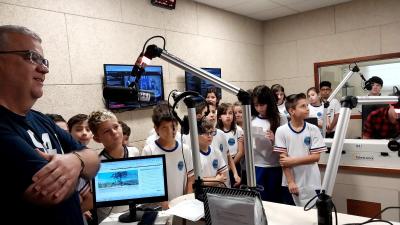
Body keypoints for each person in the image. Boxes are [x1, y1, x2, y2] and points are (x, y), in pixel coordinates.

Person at [0, 25, 100, 225]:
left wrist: (75, 162)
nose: (44, 69)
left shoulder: (41, 119)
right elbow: (49, 192)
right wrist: (81, 164)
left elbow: (93, 158)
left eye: (43, 61)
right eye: (31, 57)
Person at [274, 93, 327, 206]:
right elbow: (283, 160)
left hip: (311, 181)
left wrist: (292, 161)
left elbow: (315, 157)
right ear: (292, 111)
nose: (307, 109)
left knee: (312, 216)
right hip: (290, 181)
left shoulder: (313, 129)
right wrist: (291, 182)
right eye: (303, 106)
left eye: (307, 105)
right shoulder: (281, 131)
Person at [142, 103, 194, 206]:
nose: (170, 131)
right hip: (159, 207)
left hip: (182, 205)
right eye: (165, 128)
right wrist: (163, 204)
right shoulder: (149, 151)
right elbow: (148, 184)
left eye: (173, 126)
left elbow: (190, 178)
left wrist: (188, 200)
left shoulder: (185, 149)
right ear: (156, 129)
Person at [251, 85, 283, 202]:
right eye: (256, 105)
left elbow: (286, 145)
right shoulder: (252, 119)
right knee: (260, 200)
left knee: (275, 200)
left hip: (275, 165)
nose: (259, 108)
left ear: (269, 103)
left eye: (262, 105)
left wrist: (274, 139)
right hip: (257, 165)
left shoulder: (280, 118)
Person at [216, 102, 243, 187]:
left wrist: (231, 166)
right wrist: (225, 167)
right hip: (222, 163)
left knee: (236, 190)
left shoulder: (238, 130)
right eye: (224, 114)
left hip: (235, 163)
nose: (228, 116)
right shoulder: (217, 132)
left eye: (230, 113)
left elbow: (241, 152)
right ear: (219, 117)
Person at [197, 119, 228, 187]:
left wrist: (207, 180)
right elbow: (197, 181)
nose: (209, 136)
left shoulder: (216, 151)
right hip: (201, 192)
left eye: (211, 132)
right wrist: (216, 180)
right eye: (206, 133)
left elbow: (224, 176)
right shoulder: (193, 155)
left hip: (216, 191)